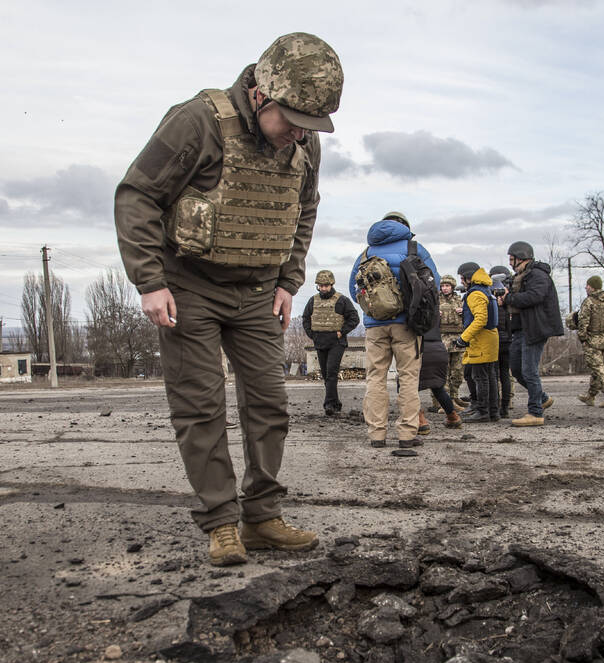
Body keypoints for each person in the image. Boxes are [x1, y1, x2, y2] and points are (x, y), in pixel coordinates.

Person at [115, 32, 343, 567]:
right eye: (291, 122)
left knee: (269, 404)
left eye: (309, 127)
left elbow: (304, 208)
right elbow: (138, 195)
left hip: (259, 292)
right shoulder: (197, 122)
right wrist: (149, 281)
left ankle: (261, 517)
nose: (298, 137)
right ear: (261, 94)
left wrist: (289, 280)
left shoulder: (305, 141)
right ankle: (220, 522)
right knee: (201, 408)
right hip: (188, 287)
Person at [349, 211, 440, 448]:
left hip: (374, 327)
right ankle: (407, 435)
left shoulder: (366, 253)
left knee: (375, 379)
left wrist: (373, 310)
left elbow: (353, 289)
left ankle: (377, 435)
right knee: (409, 378)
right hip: (406, 325)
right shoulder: (415, 249)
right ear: (405, 226)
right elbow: (433, 285)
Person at [503, 241, 565, 427]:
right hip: (520, 328)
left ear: (521, 257)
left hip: (534, 328)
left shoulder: (538, 275)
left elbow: (534, 296)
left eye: (512, 259)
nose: (510, 263)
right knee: (517, 370)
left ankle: (535, 412)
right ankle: (543, 398)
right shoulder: (522, 276)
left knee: (529, 371)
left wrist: (509, 298)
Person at [301, 269, 360, 416]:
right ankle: (335, 403)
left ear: (331, 284)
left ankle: (328, 404)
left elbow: (354, 318)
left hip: (336, 342)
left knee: (332, 373)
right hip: (320, 342)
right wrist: (312, 335)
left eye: (326, 285)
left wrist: (341, 332)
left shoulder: (342, 300)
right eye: (320, 286)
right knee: (327, 374)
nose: (323, 288)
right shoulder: (313, 300)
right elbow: (305, 318)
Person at [455, 262, 500, 422]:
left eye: (462, 278)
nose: (461, 281)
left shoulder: (475, 294)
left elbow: (480, 319)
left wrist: (463, 338)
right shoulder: (485, 290)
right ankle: (492, 411)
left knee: (480, 377)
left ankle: (482, 411)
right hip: (490, 337)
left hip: (481, 340)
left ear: (468, 277)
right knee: (489, 376)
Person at [576, 274, 604, 407]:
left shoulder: (589, 302)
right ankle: (590, 396)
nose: (586, 288)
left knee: (599, 369)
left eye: (587, 286)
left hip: (592, 341)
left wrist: (583, 339)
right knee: (598, 369)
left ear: (591, 287)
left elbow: (582, 322)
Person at [416, 309, 463, 434]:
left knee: (406, 387)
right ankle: (453, 417)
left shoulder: (413, 309)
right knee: (438, 387)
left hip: (421, 349)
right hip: (438, 348)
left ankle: (420, 421)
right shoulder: (434, 309)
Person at [436, 275, 467, 410]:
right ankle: (444, 402)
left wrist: (464, 311)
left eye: (447, 286)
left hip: (457, 340)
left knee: (457, 372)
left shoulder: (459, 300)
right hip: (443, 339)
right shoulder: (436, 300)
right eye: (443, 286)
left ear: (452, 287)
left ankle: (454, 397)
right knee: (444, 372)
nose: (445, 288)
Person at [488, 265, 514, 418]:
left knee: (494, 374)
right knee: (504, 375)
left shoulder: (492, 298)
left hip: (496, 340)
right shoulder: (510, 297)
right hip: (508, 341)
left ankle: (496, 406)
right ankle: (505, 406)